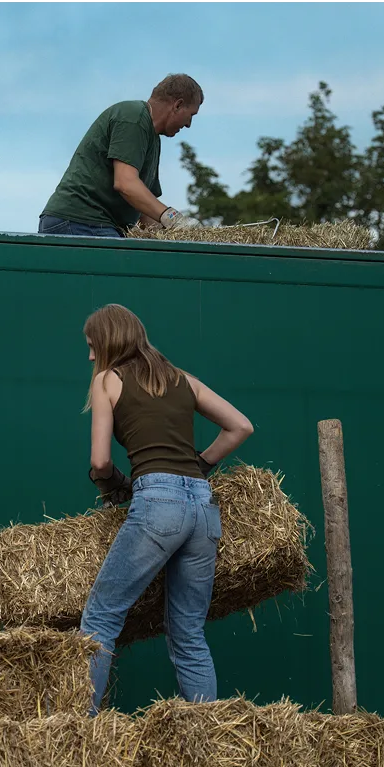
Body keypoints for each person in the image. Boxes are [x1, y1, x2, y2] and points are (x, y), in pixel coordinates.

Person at [80, 303, 253, 714]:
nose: (90, 356)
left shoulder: (108, 380)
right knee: (189, 631)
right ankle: (206, 739)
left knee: (100, 620)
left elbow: (100, 462)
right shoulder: (183, 379)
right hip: (203, 510)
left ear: (108, 342)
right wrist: (202, 464)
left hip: (158, 505)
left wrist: (111, 485)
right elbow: (240, 426)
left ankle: (73, 734)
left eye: (92, 346)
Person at [38, 74, 203, 239]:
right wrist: (174, 218)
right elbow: (126, 183)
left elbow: (145, 212)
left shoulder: (152, 139)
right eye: (191, 115)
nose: (189, 124)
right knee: (126, 262)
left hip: (95, 224)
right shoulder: (133, 117)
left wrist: (177, 235)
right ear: (178, 105)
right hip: (79, 221)